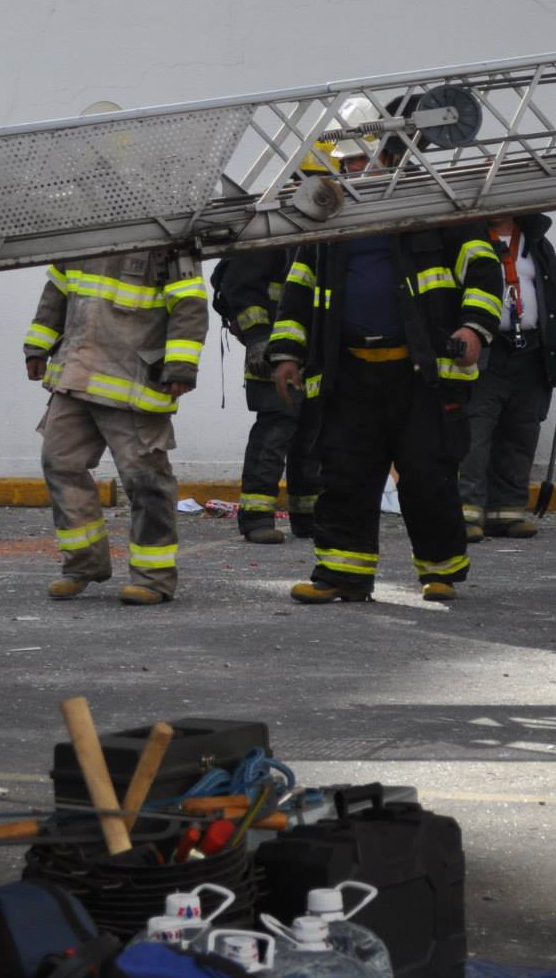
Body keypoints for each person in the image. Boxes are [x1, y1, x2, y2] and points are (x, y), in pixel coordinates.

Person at [269, 101, 504, 605]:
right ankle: (342, 575)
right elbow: (297, 294)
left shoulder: (432, 203)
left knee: (428, 476)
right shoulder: (326, 220)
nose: (352, 171)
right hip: (349, 373)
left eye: (360, 159)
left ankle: (440, 572)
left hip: (421, 374)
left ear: (391, 154)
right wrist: (286, 353)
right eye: (346, 162)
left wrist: (475, 328)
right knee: (345, 476)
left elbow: (483, 269)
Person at [25, 245, 208, 605]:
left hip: (132, 381)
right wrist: (37, 346)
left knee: (145, 479)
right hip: (76, 374)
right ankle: (83, 564)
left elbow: (189, 304)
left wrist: (182, 365)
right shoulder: (82, 237)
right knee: (59, 462)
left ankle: (153, 579)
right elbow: (56, 292)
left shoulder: (166, 240)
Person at [458, 214, 556, 543]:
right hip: (486, 351)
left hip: (531, 352)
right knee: (474, 433)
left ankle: (506, 513)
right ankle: (465, 515)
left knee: (521, 432)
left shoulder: (537, 244)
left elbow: (554, 300)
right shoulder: (466, 242)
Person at [212, 248, 320, 545]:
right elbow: (239, 286)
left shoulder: (315, 240)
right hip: (271, 353)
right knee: (275, 432)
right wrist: (258, 338)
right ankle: (256, 517)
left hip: (313, 353)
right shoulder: (270, 235)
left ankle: (308, 516)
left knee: (312, 435)